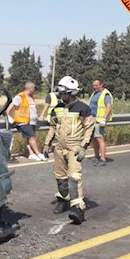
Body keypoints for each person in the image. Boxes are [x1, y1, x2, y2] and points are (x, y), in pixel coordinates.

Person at [42, 76, 95, 224]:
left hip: (74, 148)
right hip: (59, 148)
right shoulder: (57, 108)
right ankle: (63, 200)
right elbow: (53, 126)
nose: (60, 95)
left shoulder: (83, 108)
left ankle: (78, 208)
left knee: (74, 177)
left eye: (63, 93)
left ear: (71, 93)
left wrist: (83, 147)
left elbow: (89, 128)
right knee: (60, 178)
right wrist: (47, 143)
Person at [6, 82, 46, 161]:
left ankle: (31, 153)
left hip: (32, 122)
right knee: (31, 137)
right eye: (33, 88)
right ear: (29, 88)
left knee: (29, 138)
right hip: (23, 122)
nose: (34, 89)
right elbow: (10, 108)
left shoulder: (31, 97)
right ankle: (38, 153)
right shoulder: (20, 97)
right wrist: (10, 117)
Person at [89, 79, 113, 166]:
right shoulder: (94, 93)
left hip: (99, 120)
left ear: (101, 85)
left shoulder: (105, 94)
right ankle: (96, 156)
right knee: (94, 138)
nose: (94, 87)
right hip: (93, 118)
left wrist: (104, 118)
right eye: (93, 85)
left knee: (99, 138)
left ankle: (103, 158)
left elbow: (109, 107)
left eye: (96, 85)